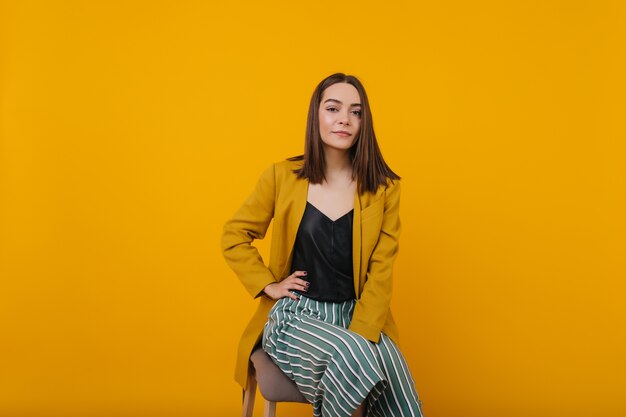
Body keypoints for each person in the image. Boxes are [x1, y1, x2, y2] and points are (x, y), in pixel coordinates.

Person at [221, 72, 424, 417]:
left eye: (356, 112)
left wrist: (363, 331)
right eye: (333, 108)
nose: (344, 118)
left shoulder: (385, 189)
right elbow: (233, 236)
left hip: (355, 314)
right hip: (298, 315)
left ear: (364, 122)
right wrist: (267, 284)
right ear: (316, 115)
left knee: (394, 375)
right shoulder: (282, 176)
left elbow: (381, 270)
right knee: (355, 354)